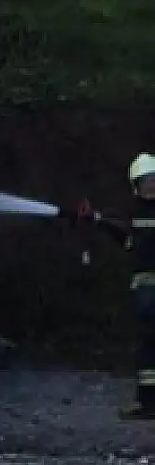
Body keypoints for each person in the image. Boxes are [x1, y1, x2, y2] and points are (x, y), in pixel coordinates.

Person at [79, 153, 155, 420]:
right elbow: (124, 236)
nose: (151, 185)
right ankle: (147, 404)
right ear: (135, 184)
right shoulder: (133, 212)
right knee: (147, 348)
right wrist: (96, 220)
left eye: (154, 180)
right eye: (145, 181)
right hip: (145, 292)